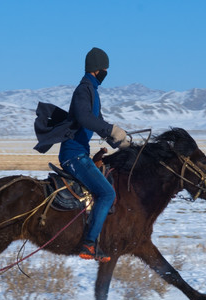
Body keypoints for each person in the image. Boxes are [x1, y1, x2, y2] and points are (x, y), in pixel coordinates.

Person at [58, 47, 129, 263]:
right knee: (107, 194)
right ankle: (89, 243)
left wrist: (122, 142)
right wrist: (111, 130)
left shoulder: (92, 91)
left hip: (81, 153)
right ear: (97, 69)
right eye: (105, 69)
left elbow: (98, 122)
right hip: (73, 155)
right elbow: (84, 118)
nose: (106, 72)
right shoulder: (84, 90)